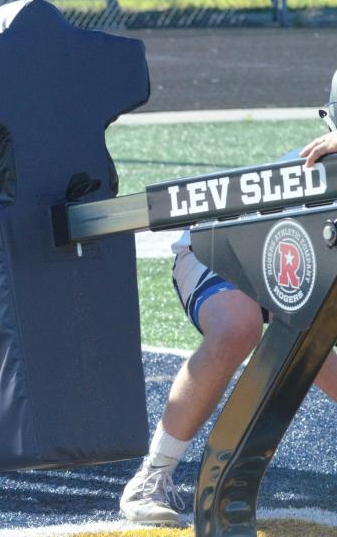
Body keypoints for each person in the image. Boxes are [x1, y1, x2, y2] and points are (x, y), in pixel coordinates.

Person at [119, 135, 337, 526]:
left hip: (295, 259)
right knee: (237, 327)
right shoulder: (323, 168)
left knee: (309, 342)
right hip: (223, 243)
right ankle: (152, 474)